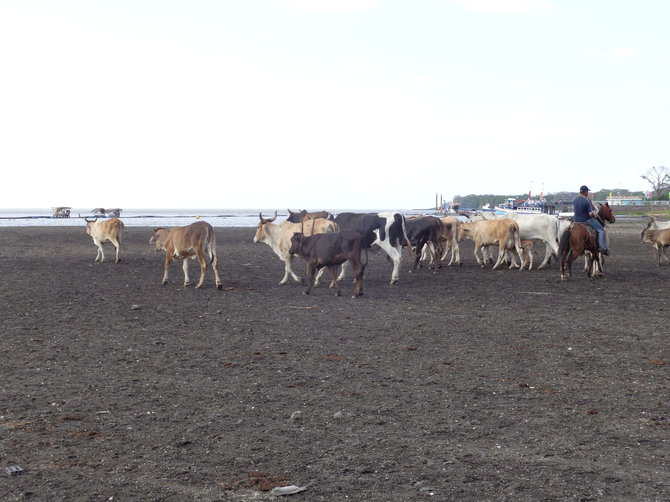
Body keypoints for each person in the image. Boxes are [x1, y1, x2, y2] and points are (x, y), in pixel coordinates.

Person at [573, 185, 608, 255]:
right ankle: (602, 248)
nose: (587, 193)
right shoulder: (587, 200)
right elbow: (591, 214)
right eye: (587, 191)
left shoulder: (575, 199)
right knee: (601, 230)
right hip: (585, 220)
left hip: (575, 221)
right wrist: (595, 215)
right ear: (586, 192)